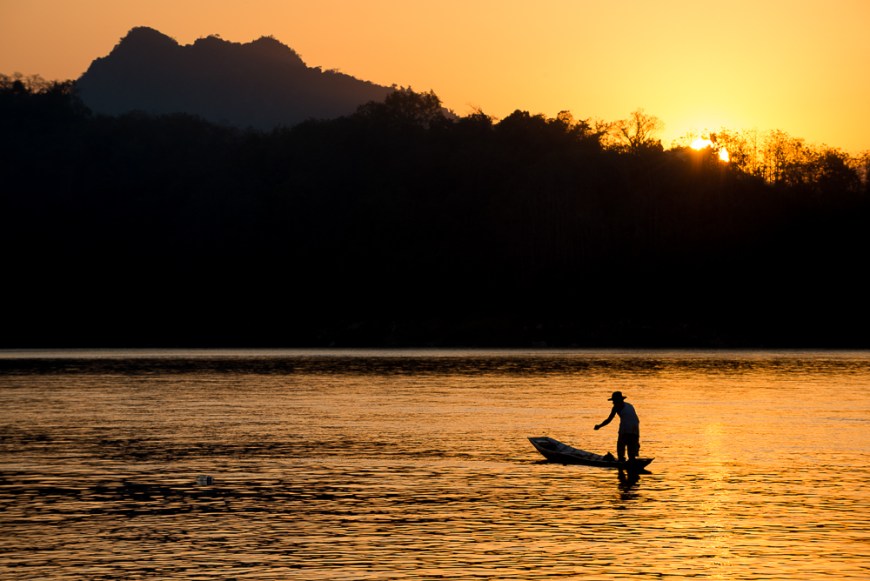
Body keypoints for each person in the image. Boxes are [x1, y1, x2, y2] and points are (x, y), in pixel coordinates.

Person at [594, 391, 640, 463]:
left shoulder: (616, 407)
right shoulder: (630, 405)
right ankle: (632, 459)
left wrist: (599, 426)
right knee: (632, 445)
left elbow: (609, 420)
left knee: (621, 444)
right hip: (636, 427)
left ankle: (621, 460)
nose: (613, 403)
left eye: (614, 401)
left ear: (618, 400)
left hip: (626, 427)